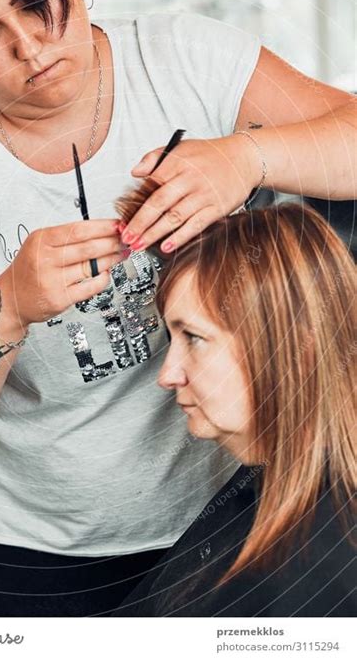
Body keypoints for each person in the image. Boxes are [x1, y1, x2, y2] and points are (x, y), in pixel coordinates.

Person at [0, 0, 354, 617]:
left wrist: (244, 155)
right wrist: (7, 306)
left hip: (246, 500)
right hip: (61, 558)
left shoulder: (185, 56)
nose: (32, 47)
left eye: (38, 2)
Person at [114, 203, 356, 616]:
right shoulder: (265, 482)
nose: (168, 375)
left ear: (297, 349)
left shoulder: (312, 578)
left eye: (194, 338)